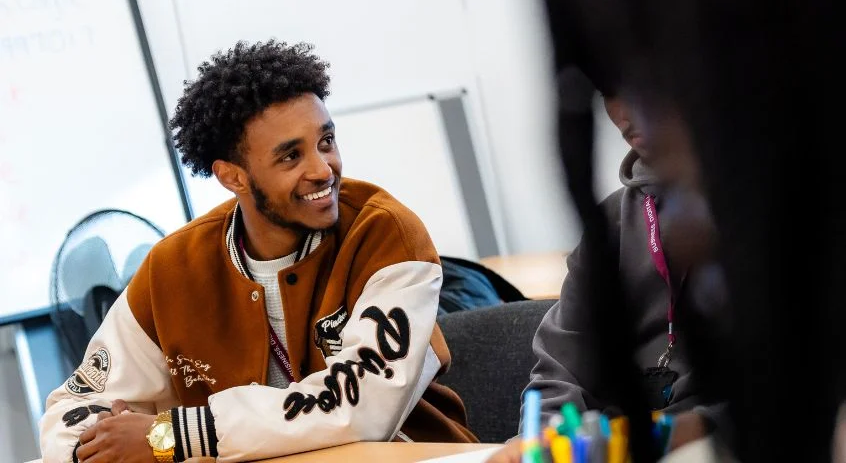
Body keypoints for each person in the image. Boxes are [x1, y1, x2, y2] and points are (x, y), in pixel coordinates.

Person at [40, 40, 477, 463]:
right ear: (233, 178)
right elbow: (74, 406)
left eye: (326, 142)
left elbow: (361, 407)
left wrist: (171, 436)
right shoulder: (173, 267)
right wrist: (94, 450)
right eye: (291, 156)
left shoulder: (384, 233)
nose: (323, 169)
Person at [486, 87, 725, 462]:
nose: (624, 112)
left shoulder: (779, 202)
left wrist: (685, 433)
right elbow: (560, 363)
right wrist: (545, 441)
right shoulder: (610, 223)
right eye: (609, 91)